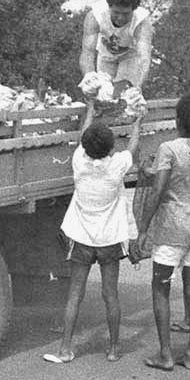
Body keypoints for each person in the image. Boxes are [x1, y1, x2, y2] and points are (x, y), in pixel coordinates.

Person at [44, 103, 144, 364]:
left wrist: (90, 106)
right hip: (109, 241)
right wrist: (137, 123)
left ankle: (65, 347)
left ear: (86, 147)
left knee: (75, 293)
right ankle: (113, 349)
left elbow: (84, 133)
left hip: (81, 239)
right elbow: (133, 147)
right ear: (111, 148)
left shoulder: (79, 162)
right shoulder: (117, 166)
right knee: (110, 294)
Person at [137, 95, 190, 371]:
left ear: (178, 121)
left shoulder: (169, 148)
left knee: (160, 288)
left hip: (170, 230)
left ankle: (165, 354)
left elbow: (159, 189)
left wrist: (142, 228)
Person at [79, 0, 154, 95]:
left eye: (125, 14)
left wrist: (137, 86)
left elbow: (144, 58)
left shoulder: (142, 22)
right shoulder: (95, 16)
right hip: (106, 56)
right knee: (102, 95)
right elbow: (88, 52)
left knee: (123, 94)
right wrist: (89, 77)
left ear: (134, 10)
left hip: (130, 57)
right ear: (109, 7)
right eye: (116, 12)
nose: (120, 18)